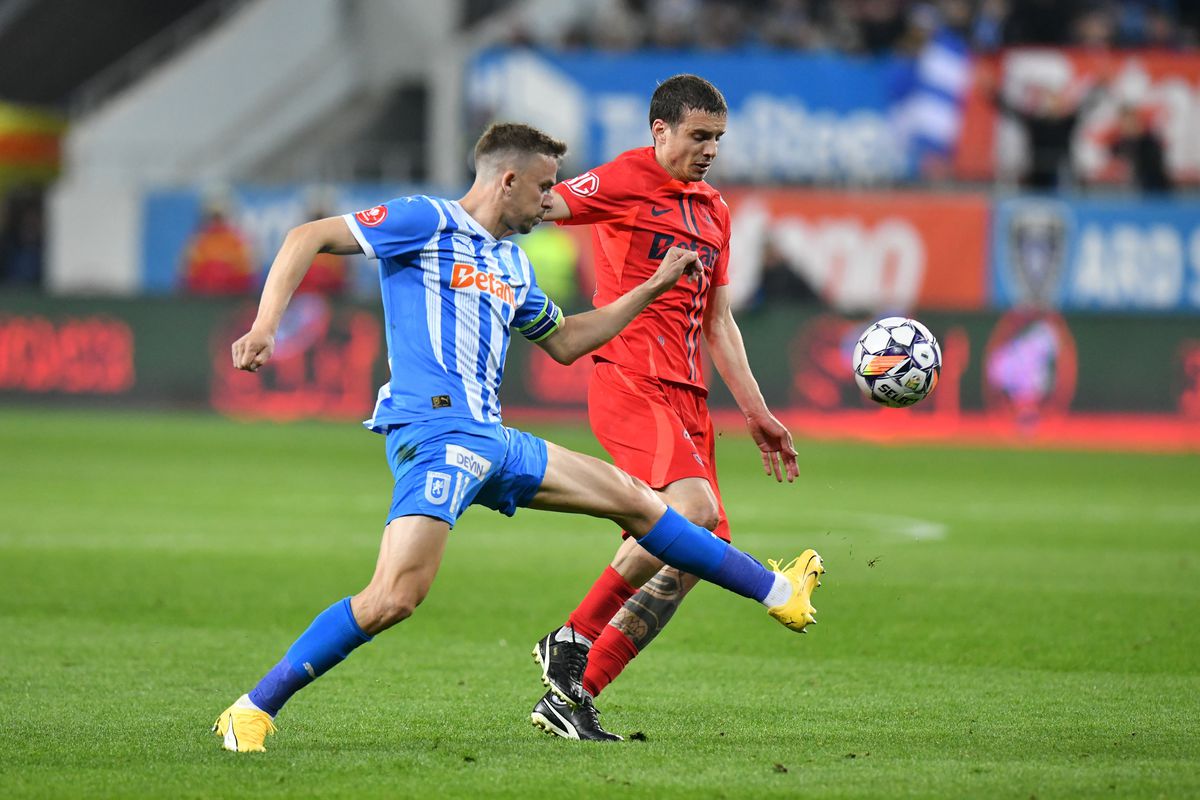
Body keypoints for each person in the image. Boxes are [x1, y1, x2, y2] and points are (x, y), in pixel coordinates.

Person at [212, 122, 823, 753]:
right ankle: (252, 709)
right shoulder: (427, 220)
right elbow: (307, 236)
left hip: (495, 441)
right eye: (544, 187)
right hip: (435, 437)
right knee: (394, 598)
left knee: (639, 501)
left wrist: (650, 289)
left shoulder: (512, 263)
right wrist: (265, 326)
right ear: (508, 181)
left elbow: (566, 342)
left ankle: (778, 591)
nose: (550, 201)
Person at [527, 75, 821, 742]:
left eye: (718, 138)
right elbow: (544, 206)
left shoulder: (715, 210)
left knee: (690, 558)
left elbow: (718, 321)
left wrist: (757, 411)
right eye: (699, 135)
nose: (710, 149)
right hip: (631, 379)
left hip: (689, 400)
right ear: (660, 131)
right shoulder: (625, 178)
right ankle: (572, 636)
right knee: (693, 513)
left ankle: (574, 694)